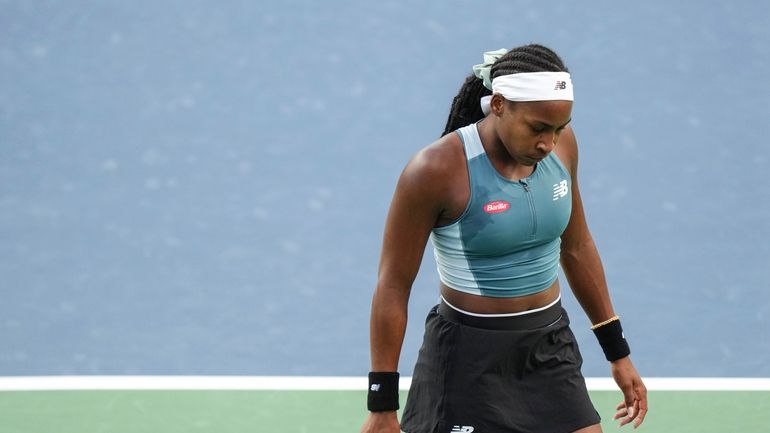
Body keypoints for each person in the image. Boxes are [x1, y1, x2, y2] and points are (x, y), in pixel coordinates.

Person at [360, 44, 648, 433]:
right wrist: (381, 404)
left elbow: (577, 246)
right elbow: (393, 284)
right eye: (537, 128)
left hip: (548, 347)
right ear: (498, 104)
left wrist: (618, 353)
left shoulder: (563, 148)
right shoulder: (436, 170)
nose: (548, 143)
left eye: (559, 128)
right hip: (467, 359)